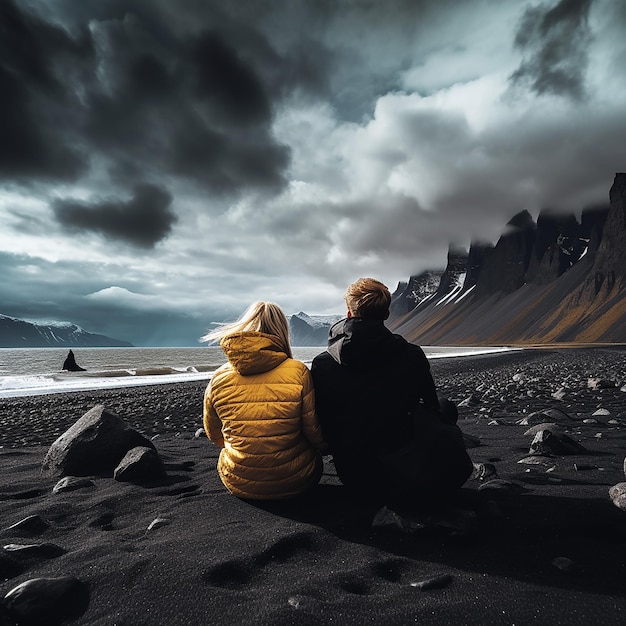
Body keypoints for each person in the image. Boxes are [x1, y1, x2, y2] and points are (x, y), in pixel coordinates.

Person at [311, 277, 472, 506]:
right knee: (445, 407)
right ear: (387, 314)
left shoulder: (321, 364)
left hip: (354, 476)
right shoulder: (412, 355)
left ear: (348, 313)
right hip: (406, 471)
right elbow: (431, 405)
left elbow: (322, 418)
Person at [202, 301, 327, 500]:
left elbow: (214, 434)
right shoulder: (298, 372)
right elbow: (314, 434)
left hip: (238, 481)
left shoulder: (219, 377)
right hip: (295, 480)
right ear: (281, 331)